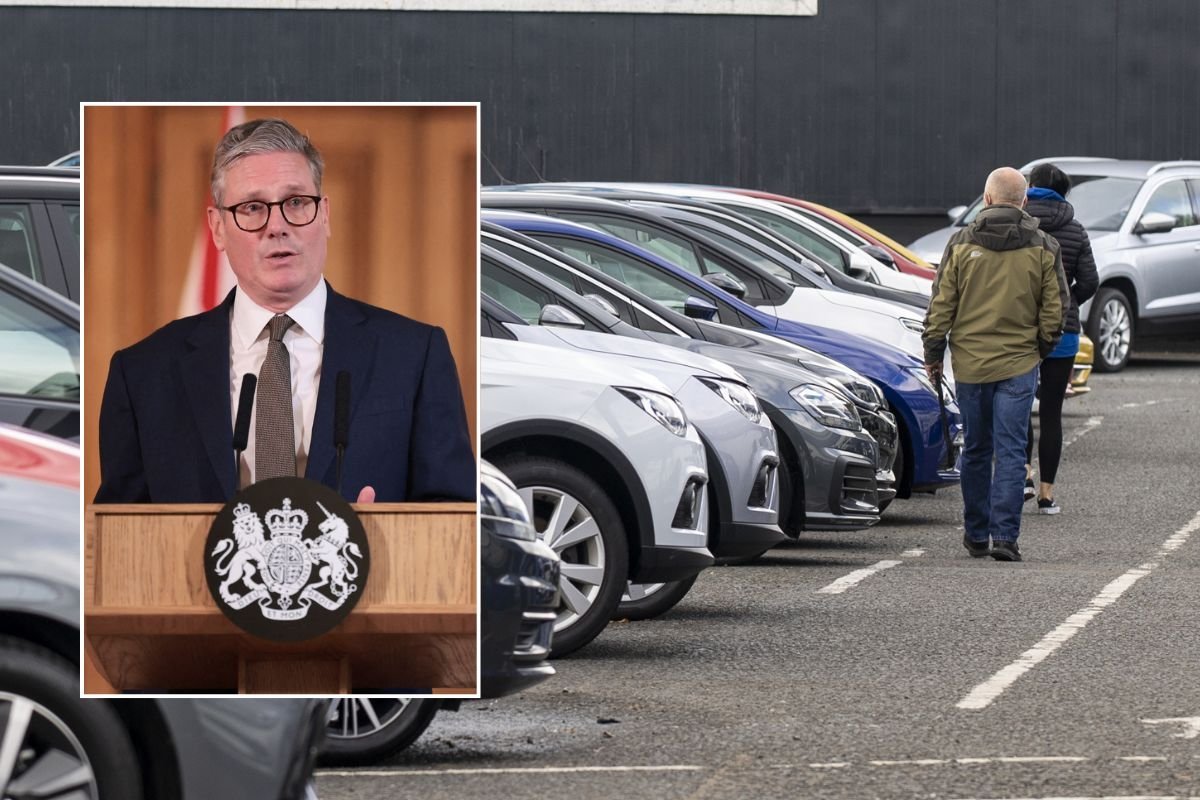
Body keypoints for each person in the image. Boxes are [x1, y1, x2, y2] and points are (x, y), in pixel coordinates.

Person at [96, 118, 475, 504]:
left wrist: (386, 537)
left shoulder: (413, 356)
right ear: (218, 228)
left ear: (324, 214)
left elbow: (454, 520)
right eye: (252, 207)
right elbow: (119, 538)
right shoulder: (144, 374)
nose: (277, 226)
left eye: (295, 202)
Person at [923, 167, 1067, 562]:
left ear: (986, 199)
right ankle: (1005, 537)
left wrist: (934, 354)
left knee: (976, 449)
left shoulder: (960, 243)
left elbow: (941, 306)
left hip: (970, 363)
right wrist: (1040, 347)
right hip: (1019, 362)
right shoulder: (1043, 246)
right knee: (1011, 450)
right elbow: (1055, 309)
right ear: (1023, 202)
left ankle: (975, 534)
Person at [1022, 163, 1099, 514]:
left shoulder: (1019, 224)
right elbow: (1090, 281)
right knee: (1051, 412)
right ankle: (1047, 494)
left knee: (1018, 406)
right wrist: (1067, 303)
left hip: (1019, 329)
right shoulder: (1076, 230)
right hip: (1063, 332)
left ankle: (1022, 474)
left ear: (1030, 187)